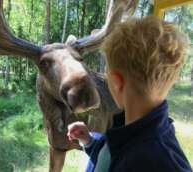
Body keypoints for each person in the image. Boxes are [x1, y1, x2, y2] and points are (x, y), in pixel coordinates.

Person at [67, 16, 192, 172]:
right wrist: (90, 141)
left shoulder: (161, 162)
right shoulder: (130, 127)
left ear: (116, 82)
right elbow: (112, 153)